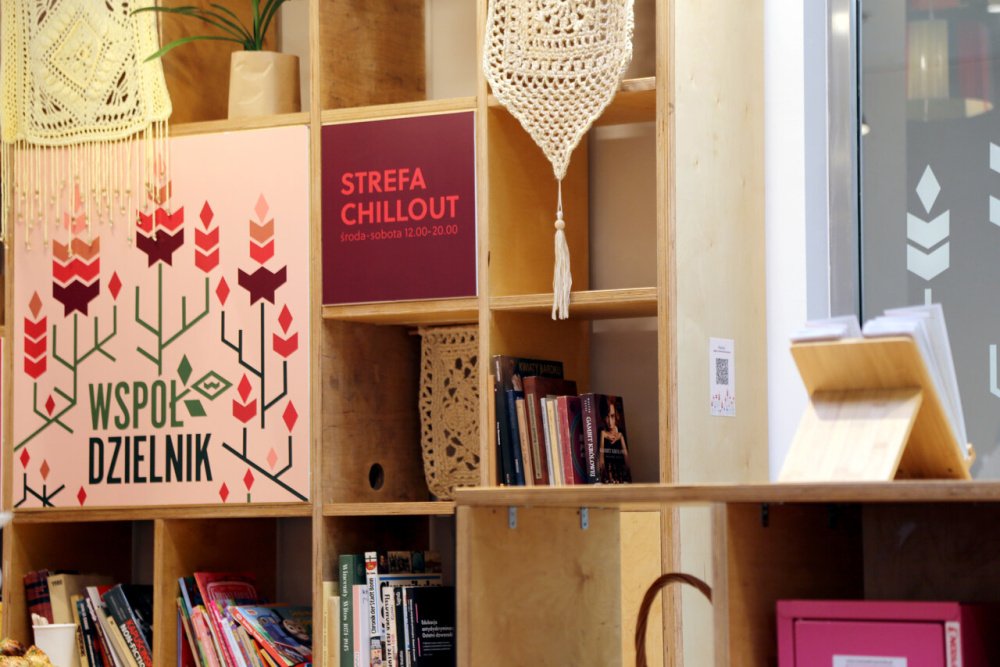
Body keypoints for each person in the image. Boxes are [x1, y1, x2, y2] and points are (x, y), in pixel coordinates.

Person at [598, 398, 632, 483]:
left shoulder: (621, 432)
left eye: (612, 416)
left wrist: (621, 438)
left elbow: (628, 467)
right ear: (603, 417)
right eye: (607, 416)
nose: (610, 422)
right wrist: (602, 436)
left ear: (616, 415)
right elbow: (600, 469)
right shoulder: (600, 433)